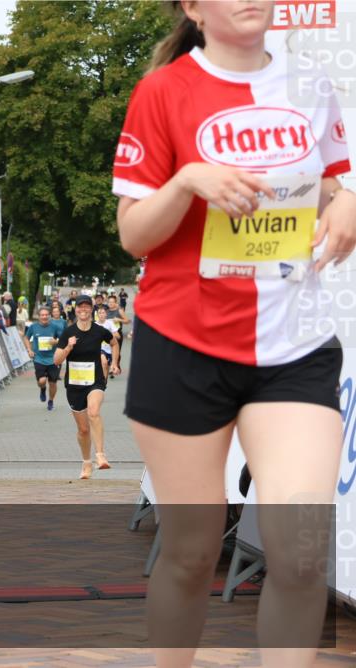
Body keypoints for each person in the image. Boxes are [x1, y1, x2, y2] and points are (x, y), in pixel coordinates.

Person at [115, 3, 355, 662]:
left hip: (293, 347)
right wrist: (189, 181)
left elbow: (333, 187)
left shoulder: (309, 85)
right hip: (183, 342)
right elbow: (134, 234)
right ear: (193, 8)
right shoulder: (162, 91)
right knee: (191, 557)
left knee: (302, 557)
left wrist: (349, 204)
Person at [54, 295, 118, 479]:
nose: (83, 310)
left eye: (87, 307)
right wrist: (68, 348)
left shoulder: (99, 331)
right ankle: (86, 463)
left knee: (94, 411)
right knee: (83, 430)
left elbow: (113, 343)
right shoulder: (68, 333)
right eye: (80, 307)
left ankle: (100, 455)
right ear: (76, 310)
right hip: (74, 385)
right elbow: (56, 360)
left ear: (92, 310)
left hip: (95, 381)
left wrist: (114, 362)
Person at [23, 306, 64, 411]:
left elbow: (63, 339)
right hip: (39, 358)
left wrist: (56, 341)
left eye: (46, 315)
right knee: (41, 381)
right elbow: (26, 338)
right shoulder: (33, 326)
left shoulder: (54, 326)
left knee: (53, 383)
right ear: (39, 316)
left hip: (53, 359)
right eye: (42, 315)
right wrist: (29, 350)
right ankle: (42, 389)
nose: (44, 317)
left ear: (49, 316)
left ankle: (50, 401)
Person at [95, 304, 120, 379]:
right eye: (100, 313)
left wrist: (107, 333)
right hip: (100, 349)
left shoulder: (110, 323)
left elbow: (118, 336)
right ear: (97, 315)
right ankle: (101, 383)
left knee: (106, 368)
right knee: (104, 362)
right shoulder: (94, 325)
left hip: (110, 349)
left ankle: (104, 383)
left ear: (106, 314)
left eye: (103, 313)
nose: (101, 314)